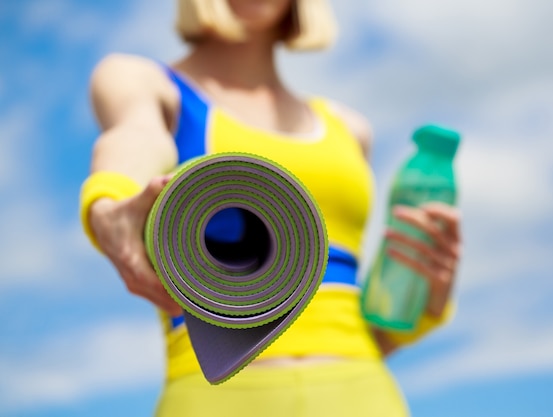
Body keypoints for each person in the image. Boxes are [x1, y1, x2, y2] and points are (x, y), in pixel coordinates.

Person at [79, 0, 461, 415]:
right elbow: (135, 136)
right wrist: (110, 201)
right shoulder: (146, 82)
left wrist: (428, 303)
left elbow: (359, 322)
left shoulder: (349, 128)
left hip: (361, 391)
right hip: (216, 394)